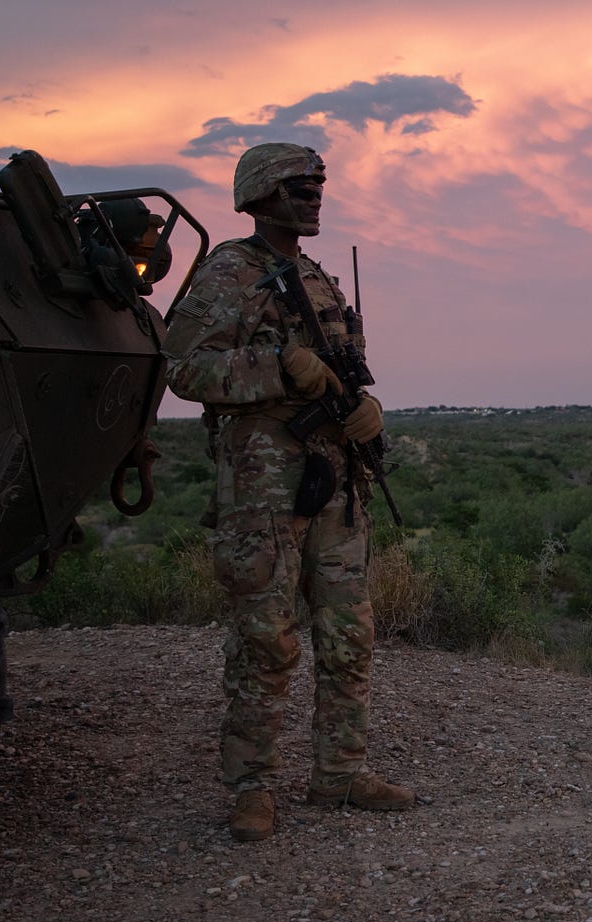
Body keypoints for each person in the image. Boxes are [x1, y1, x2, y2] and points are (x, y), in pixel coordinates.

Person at [163, 143, 414, 842]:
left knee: (349, 632)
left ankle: (340, 770)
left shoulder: (318, 279)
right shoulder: (229, 275)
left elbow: (342, 374)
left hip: (335, 480)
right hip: (263, 485)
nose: (314, 196)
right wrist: (278, 368)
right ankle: (253, 785)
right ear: (260, 193)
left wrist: (366, 413)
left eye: (318, 185)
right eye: (299, 186)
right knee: (265, 640)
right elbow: (182, 367)